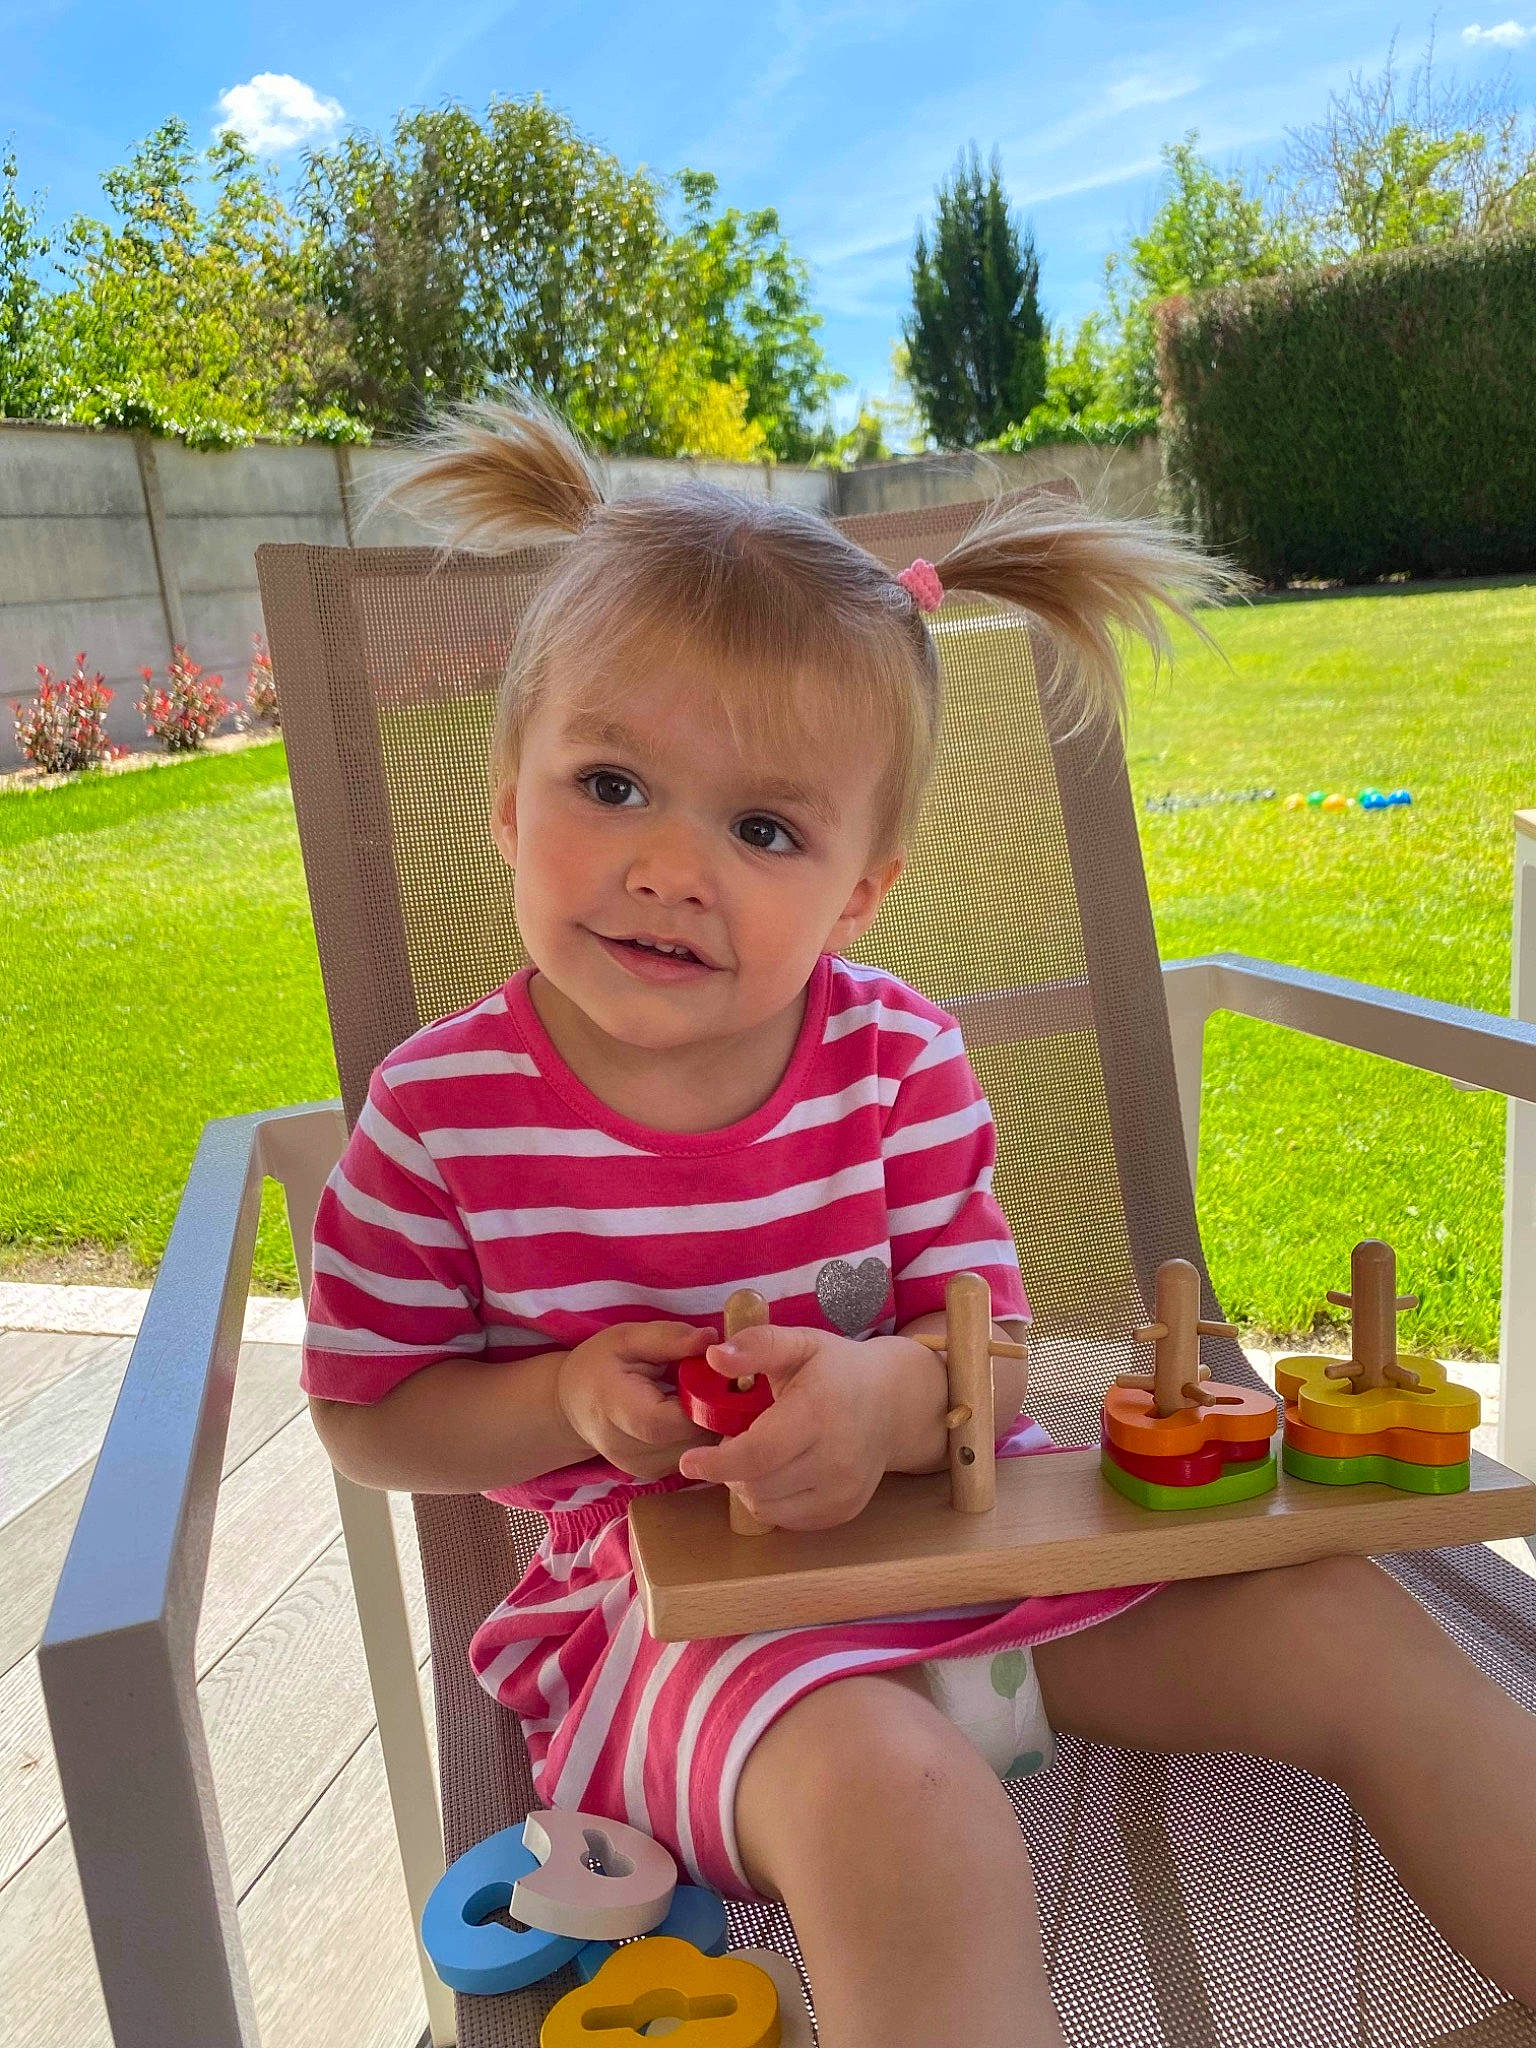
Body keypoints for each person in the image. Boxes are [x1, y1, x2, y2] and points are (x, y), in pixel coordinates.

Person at [303, 399, 1536, 2047]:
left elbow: (988, 1347)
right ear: (510, 811)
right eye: (611, 785)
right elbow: (364, 1414)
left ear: (862, 889)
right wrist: (562, 1403)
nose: (671, 866)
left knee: (1352, 1630)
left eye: (761, 829)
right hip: (685, 1639)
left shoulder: (898, 1061)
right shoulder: (444, 1114)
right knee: (904, 1800)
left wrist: (888, 1400)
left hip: (979, 1561)